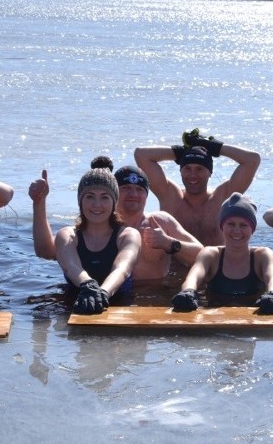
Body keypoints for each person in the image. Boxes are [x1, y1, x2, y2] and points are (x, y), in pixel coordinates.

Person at [29, 157, 202, 281]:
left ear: (147, 195)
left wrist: (170, 244)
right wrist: (39, 203)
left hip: (151, 299)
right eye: (126, 187)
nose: (133, 194)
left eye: (139, 189)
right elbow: (46, 251)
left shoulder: (161, 222)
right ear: (114, 194)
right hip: (104, 298)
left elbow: (203, 256)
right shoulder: (96, 225)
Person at [134, 128, 261, 246]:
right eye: (187, 169)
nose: (193, 175)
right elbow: (141, 154)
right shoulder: (170, 197)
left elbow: (252, 159)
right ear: (181, 171)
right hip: (175, 270)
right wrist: (178, 152)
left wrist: (215, 147)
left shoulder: (221, 199)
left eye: (199, 169)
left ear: (210, 172)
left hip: (213, 268)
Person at [171, 193, 273, 314]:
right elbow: (193, 277)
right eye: (231, 224)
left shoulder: (262, 255)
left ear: (252, 229)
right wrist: (188, 291)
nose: (237, 231)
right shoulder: (210, 254)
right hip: (214, 313)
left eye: (243, 225)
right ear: (222, 227)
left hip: (253, 314)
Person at [54, 164, 140, 314]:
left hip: (118, 306)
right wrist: (87, 285)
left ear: (114, 203)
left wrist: (104, 293)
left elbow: (122, 269)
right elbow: (71, 267)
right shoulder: (67, 235)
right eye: (90, 196)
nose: (97, 205)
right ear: (80, 201)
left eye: (104, 197)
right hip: (74, 306)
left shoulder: (128, 235)